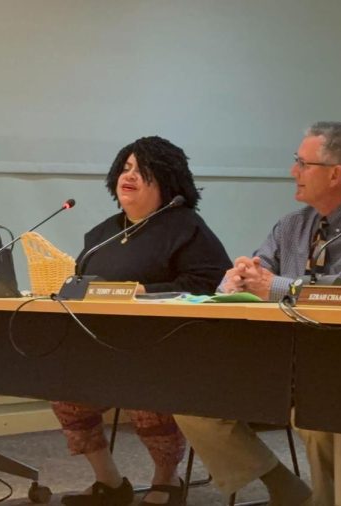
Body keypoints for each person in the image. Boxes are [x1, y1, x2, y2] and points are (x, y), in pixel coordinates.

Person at [175, 121, 341, 506]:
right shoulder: (291, 225)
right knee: (190, 395)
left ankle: (331, 500)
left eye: (302, 163)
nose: (293, 172)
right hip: (278, 354)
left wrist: (277, 287)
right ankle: (283, 486)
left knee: (320, 412)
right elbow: (259, 274)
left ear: (335, 174)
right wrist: (237, 280)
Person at [53, 135, 231, 506]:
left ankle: (167, 479)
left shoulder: (185, 228)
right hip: (104, 345)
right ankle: (109, 481)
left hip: (171, 348)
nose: (128, 176)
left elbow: (211, 285)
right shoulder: (103, 234)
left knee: (142, 382)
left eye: (143, 171)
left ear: (167, 183)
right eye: (126, 167)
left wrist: (145, 292)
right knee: (64, 387)